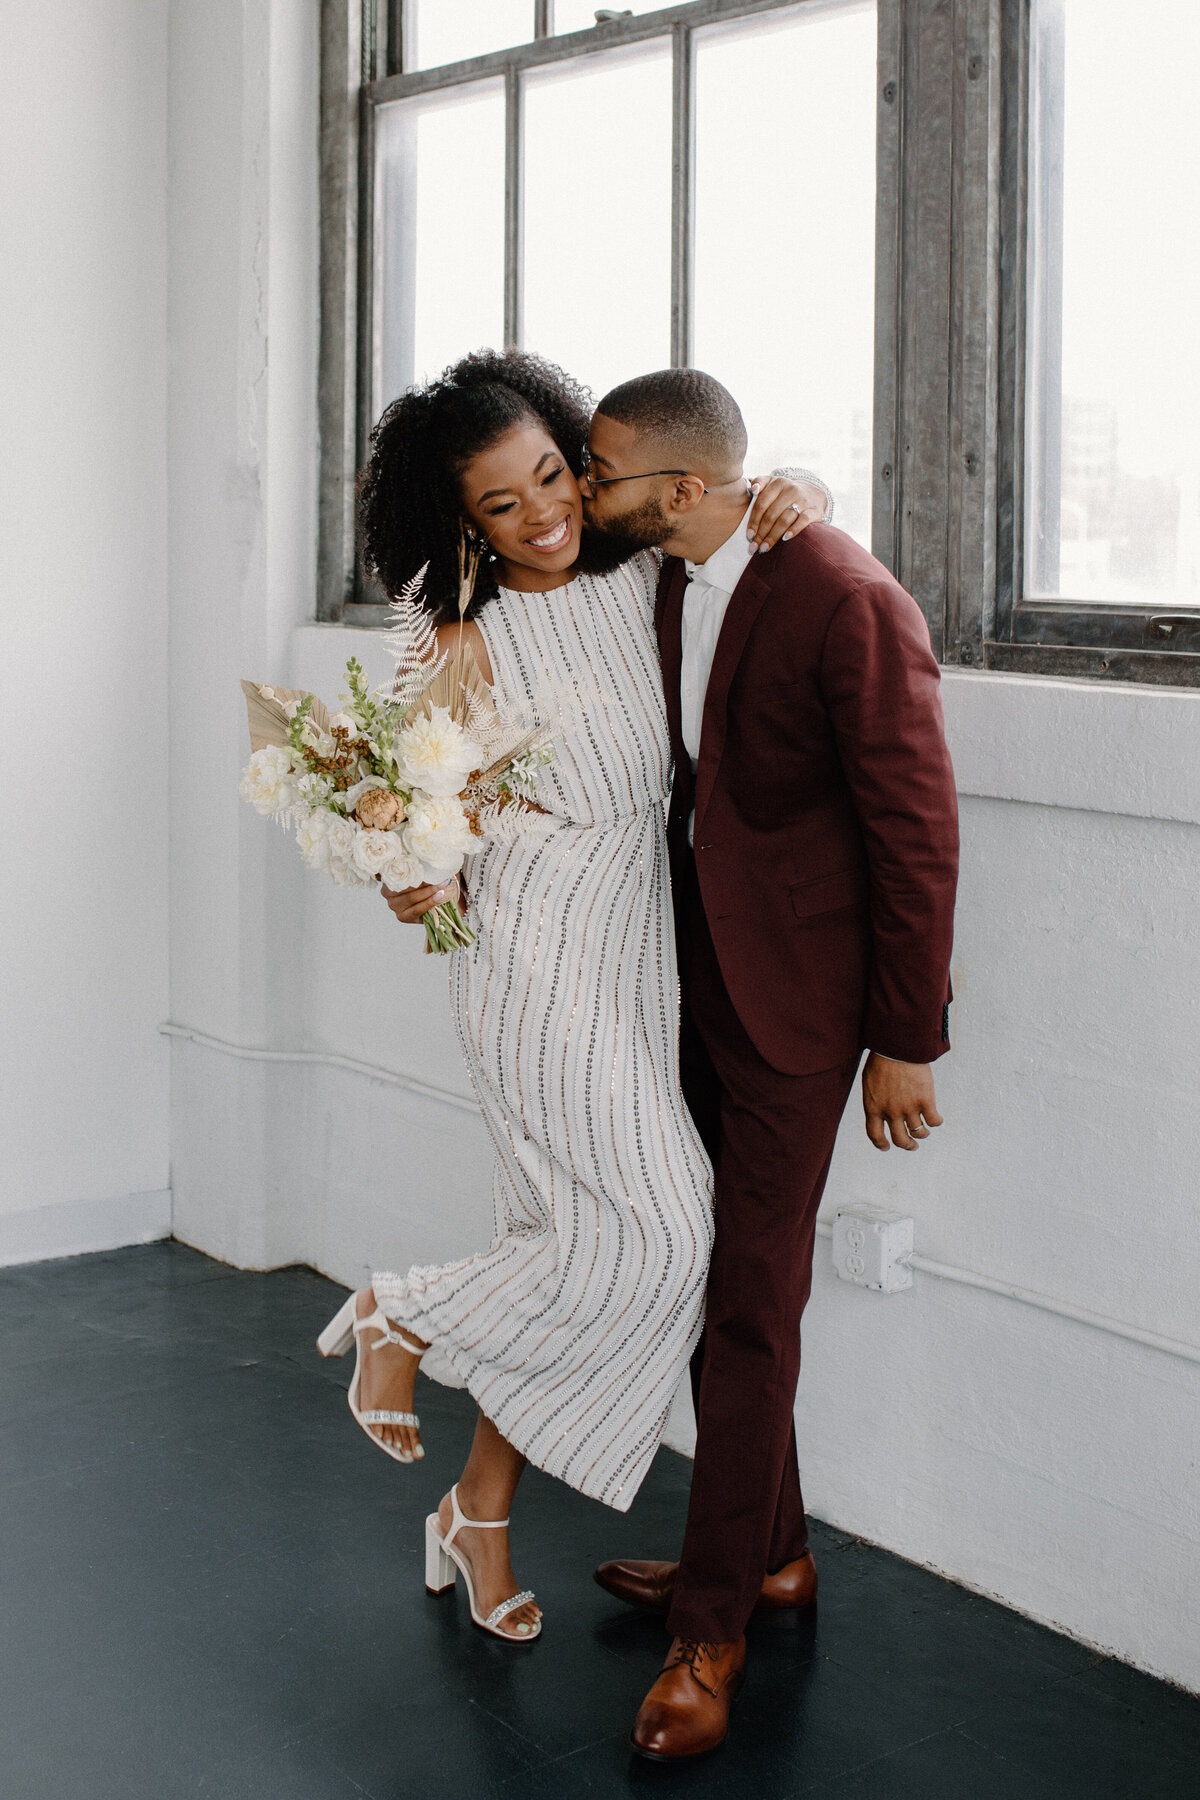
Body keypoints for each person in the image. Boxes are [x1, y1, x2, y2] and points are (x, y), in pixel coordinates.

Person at [316, 349, 832, 1643]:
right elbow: (420, 843)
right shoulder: (457, 649)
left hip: (642, 963)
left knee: (576, 1252)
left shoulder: (648, 578)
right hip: (536, 973)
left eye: (553, 475)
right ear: (462, 523)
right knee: (658, 1237)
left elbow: (738, 510)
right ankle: (401, 1312)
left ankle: (477, 1516)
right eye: (502, 504)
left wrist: (800, 488)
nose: (542, 514)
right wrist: (409, 873)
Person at [580, 367, 959, 1760]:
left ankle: (714, 1629)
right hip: (690, 980)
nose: (589, 489)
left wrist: (905, 1041)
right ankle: (772, 1549)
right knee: (697, 1266)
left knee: (750, 1302)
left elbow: (917, 829)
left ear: (681, 489)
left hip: (804, 1014)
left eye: (604, 471)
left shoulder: (848, 598)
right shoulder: (676, 573)